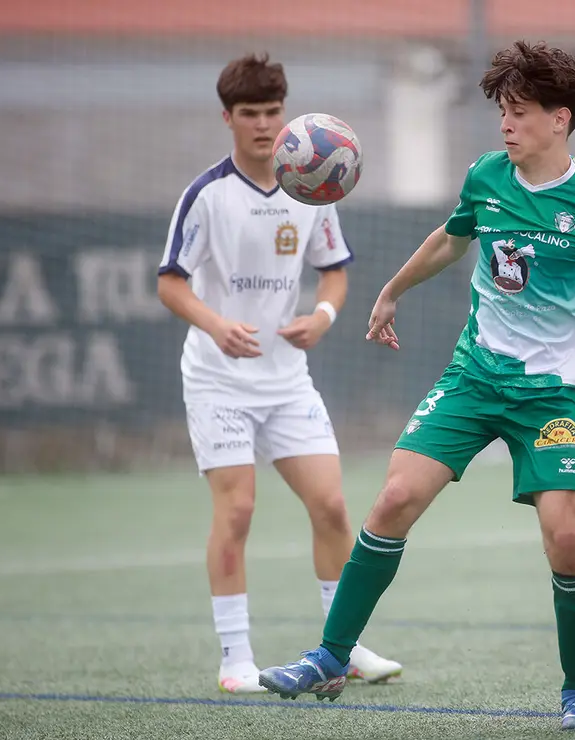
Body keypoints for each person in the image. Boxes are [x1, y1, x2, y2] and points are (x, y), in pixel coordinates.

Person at [258, 40, 575, 730]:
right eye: (503, 111)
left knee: (567, 539)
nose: (507, 124)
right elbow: (452, 235)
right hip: (474, 376)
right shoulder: (486, 176)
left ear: (561, 120)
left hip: (551, 396)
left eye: (521, 112)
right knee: (395, 497)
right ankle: (330, 655)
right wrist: (390, 291)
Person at [156, 52, 402, 694]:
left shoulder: (311, 184)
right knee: (237, 512)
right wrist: (215, 324)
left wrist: (322, 314)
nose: (264, 125)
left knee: (331, 505)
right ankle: (235, 658)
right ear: (228, 118)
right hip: (218, 380)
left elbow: (336, 271)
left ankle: (341, 647)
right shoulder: (206, 195)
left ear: (284, 114)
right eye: (250, 114)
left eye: (272, 111)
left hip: (287, 379)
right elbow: (170, 285)